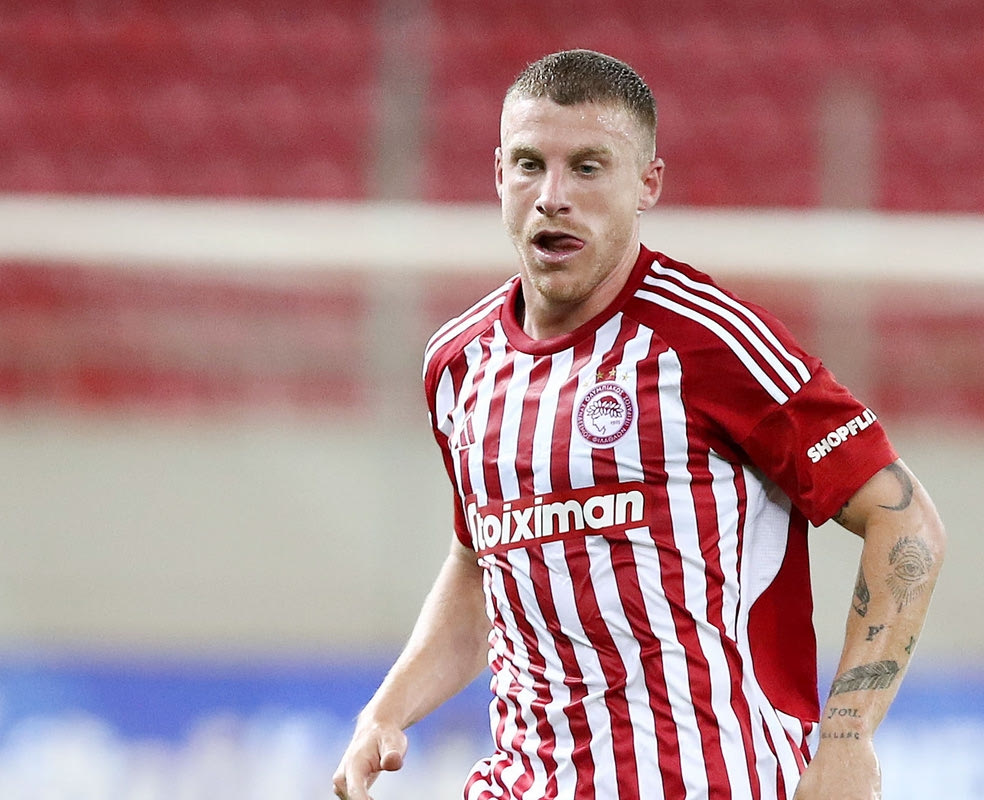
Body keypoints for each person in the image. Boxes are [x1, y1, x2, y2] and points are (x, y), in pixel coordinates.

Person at [333, 49, 946, 800]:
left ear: (647, 183)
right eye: (529, 165)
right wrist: (387, 712)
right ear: (498, 174)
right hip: (524, 782)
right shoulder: (458, 364)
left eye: (588, 168)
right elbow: (483, 566)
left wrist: (848, 739)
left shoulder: (711, 343)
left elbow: (905, 522)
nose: (552, 197)